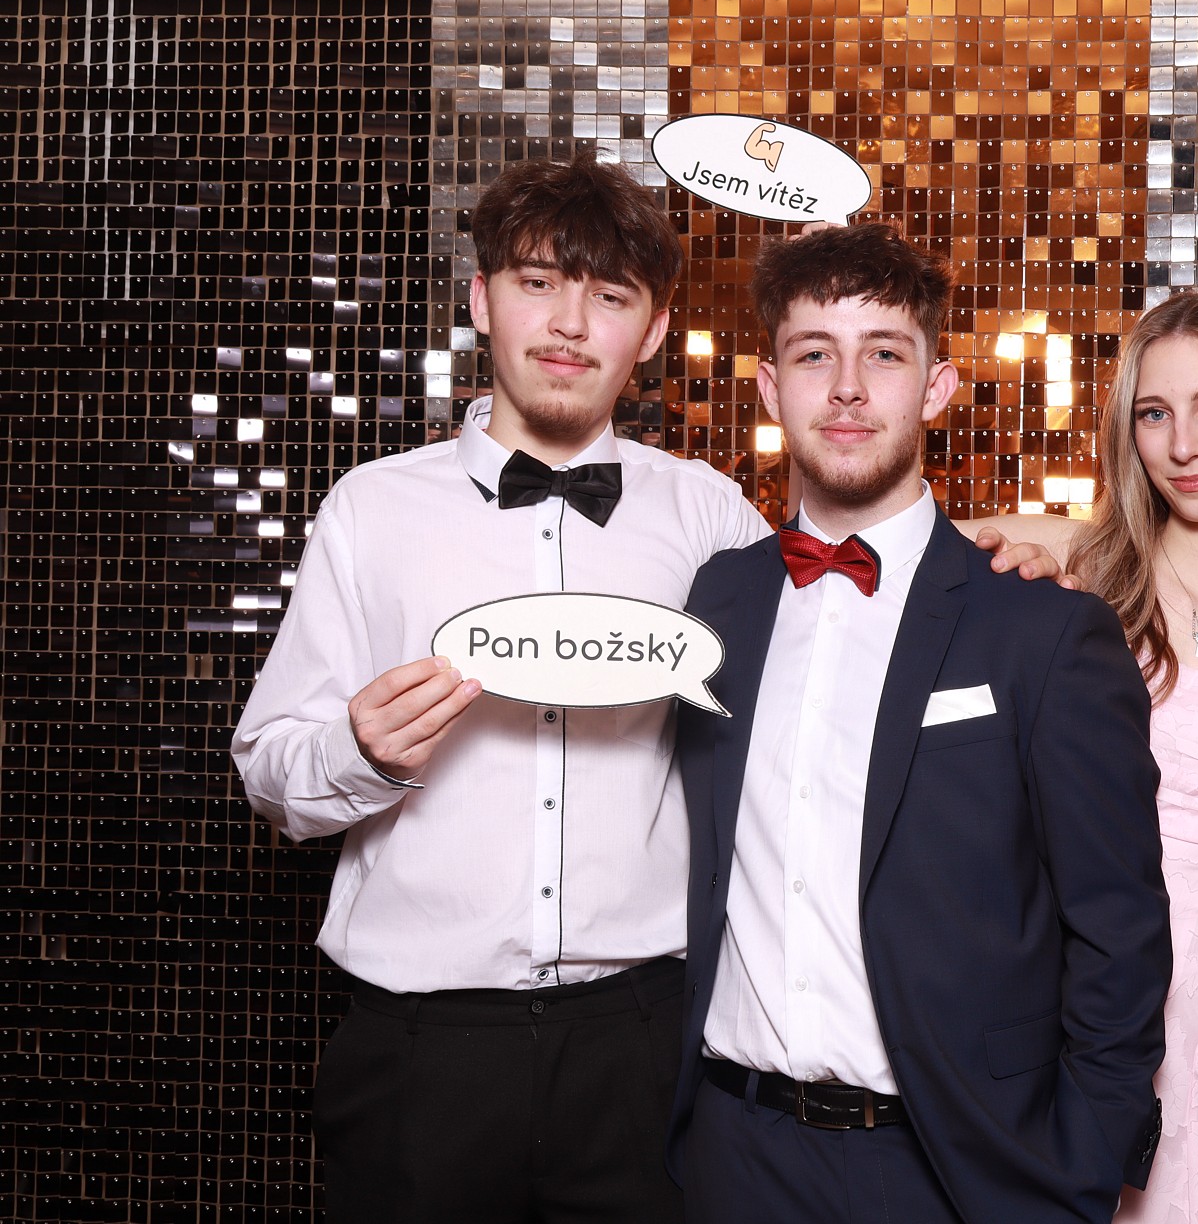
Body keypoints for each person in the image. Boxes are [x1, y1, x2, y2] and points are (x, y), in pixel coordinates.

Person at [230, 152, 1053, 1224]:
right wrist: (357, 752)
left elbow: (851, 603)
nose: (570, 324)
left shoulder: (705, 513)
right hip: (419, 1054)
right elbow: (270, 773)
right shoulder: (370, 510)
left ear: (654, 330)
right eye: (537, 283)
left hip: (646, 1046)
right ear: (480, 300)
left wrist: (1016, 549)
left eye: (610, 296)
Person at [666, 221, 1172, 1224]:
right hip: (730, 1152)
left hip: (953, 1169)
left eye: (885, 355)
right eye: (814, 355)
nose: (848, 389)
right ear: (769, 389)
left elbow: (1119, 929)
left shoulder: (1041, 626)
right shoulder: (713, 602)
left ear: (937, 387)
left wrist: (1078, 1169)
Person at [973, 288, 1198, 1222]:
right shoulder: (1072, 566)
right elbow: (864, 559)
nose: (1183, 445)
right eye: (1154, 414)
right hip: (1055, 994)